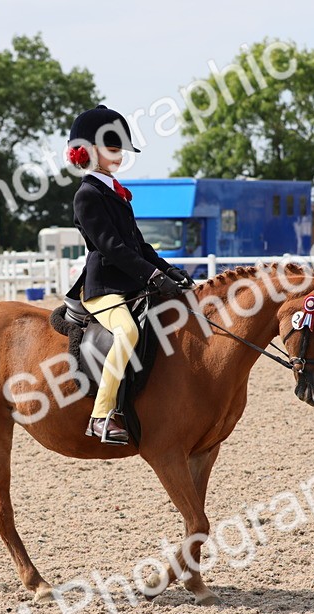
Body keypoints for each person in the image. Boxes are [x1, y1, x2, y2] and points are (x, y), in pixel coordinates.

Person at [64, 104, 194, 445]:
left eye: (121, 148)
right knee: (127, 333)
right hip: (104, 287)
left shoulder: (116, 192)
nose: (120, 154)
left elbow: (139, 245)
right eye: (112, 147)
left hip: (131, 282)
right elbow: (112, 247)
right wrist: (152, 277)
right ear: (89, 151)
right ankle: (101, 415)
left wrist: (168, 270)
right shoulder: (87, 195)